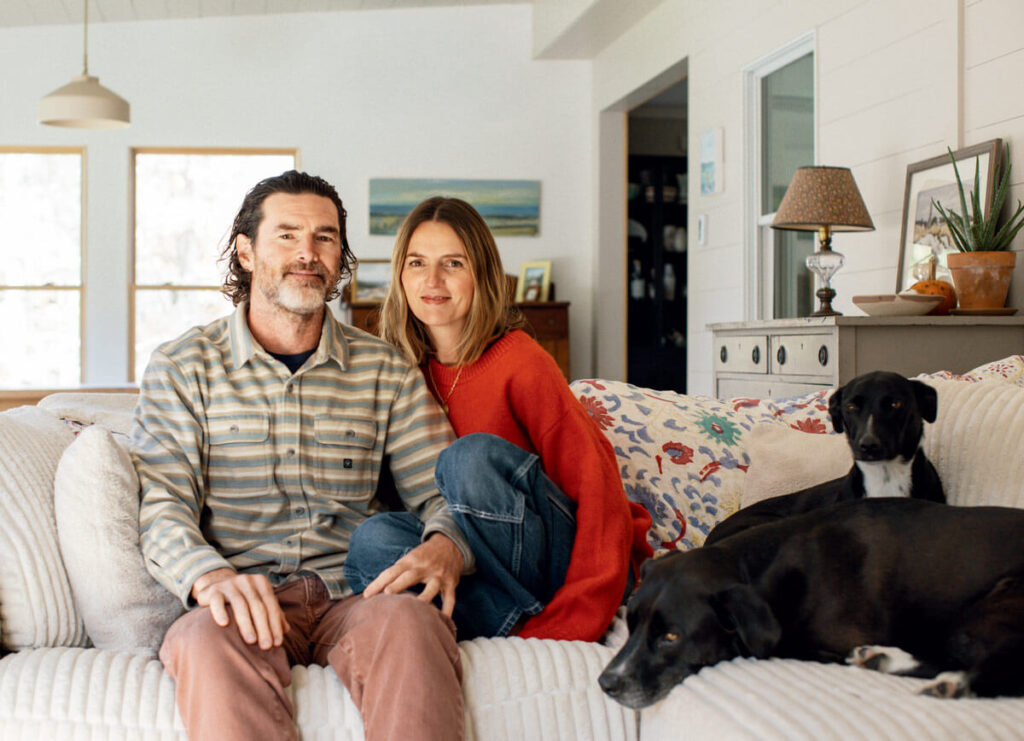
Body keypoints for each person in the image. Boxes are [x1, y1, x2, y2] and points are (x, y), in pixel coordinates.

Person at [132, 171, 470, 741]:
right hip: (244, 594)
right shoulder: (183, 366)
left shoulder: (385, 370)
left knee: (414, 624)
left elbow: (443, 493)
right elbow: (162, 502)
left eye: (325, 237)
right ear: (245, 251)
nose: (307, 254)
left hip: (360, 594)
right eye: (287, 235)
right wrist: (208, 576)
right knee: (199, 640)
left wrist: (446, 546)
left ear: (341, 256)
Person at [344, 196, 653, 642]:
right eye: (417, 263)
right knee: (372, 542)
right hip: (480, 561)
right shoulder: (399, 372)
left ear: (481, 273)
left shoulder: (519, 360)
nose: (432, 280)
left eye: (452, 263)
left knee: (467, 459)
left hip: (562, 562)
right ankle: (511, 625)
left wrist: (577, 615)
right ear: (400, 275)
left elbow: (597, 485)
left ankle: (527, 620)